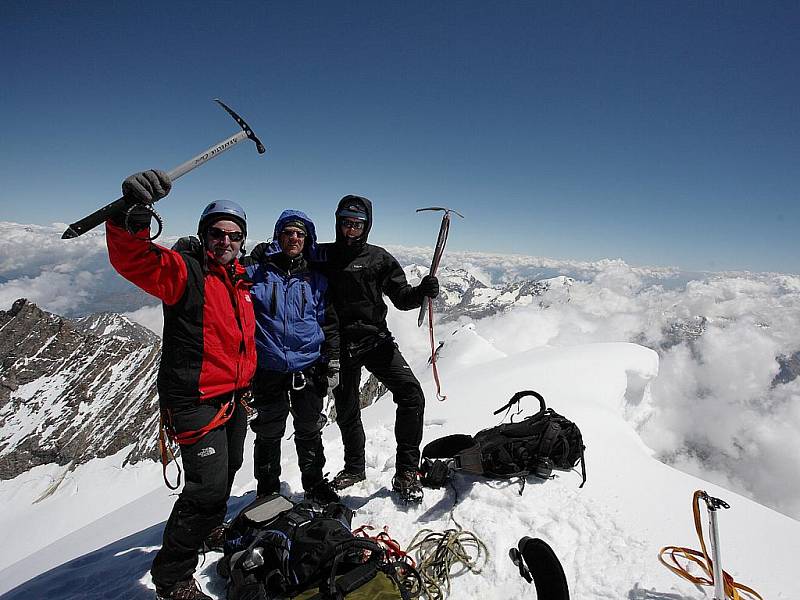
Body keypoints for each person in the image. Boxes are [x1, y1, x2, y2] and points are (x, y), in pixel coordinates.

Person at [105, 170, 256, 600]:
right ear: (204, 236)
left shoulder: (241, 281)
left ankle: (208, 531)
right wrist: (130, 215)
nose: (225, 242)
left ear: (241, 239)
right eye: (217, 234)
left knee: (226, 474)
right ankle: (172, 577)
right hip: (195, 401)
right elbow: (135, 260)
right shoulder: (186, 274)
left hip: (232, 399)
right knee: (206, 490)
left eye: (233, 235)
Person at [317, 195, 439, 503]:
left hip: (375, 340)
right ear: (337, 222)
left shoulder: (378, 258)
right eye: (346, 223)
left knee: (411, 394)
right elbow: (288, 259)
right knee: (347, 410)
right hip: (339, 347)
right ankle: (355, 468)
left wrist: (422, 292)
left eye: (357, 225)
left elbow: (401, 296)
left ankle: (406, 472)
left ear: (366, 226)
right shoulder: (323, 256)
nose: (350, 230)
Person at [244, 210, 340, 503]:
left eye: (300, 234)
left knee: (309, 428)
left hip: (308, 367)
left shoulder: (317, 279)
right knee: (269, 431)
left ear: (307, 239)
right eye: (288, 233)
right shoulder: (256, 273)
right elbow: (222, 273)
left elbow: (329, 322)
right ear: (278, 236)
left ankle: (314, 484)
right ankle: (268, 490)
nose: (294, 238)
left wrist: (332, 360)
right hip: (268, 367)